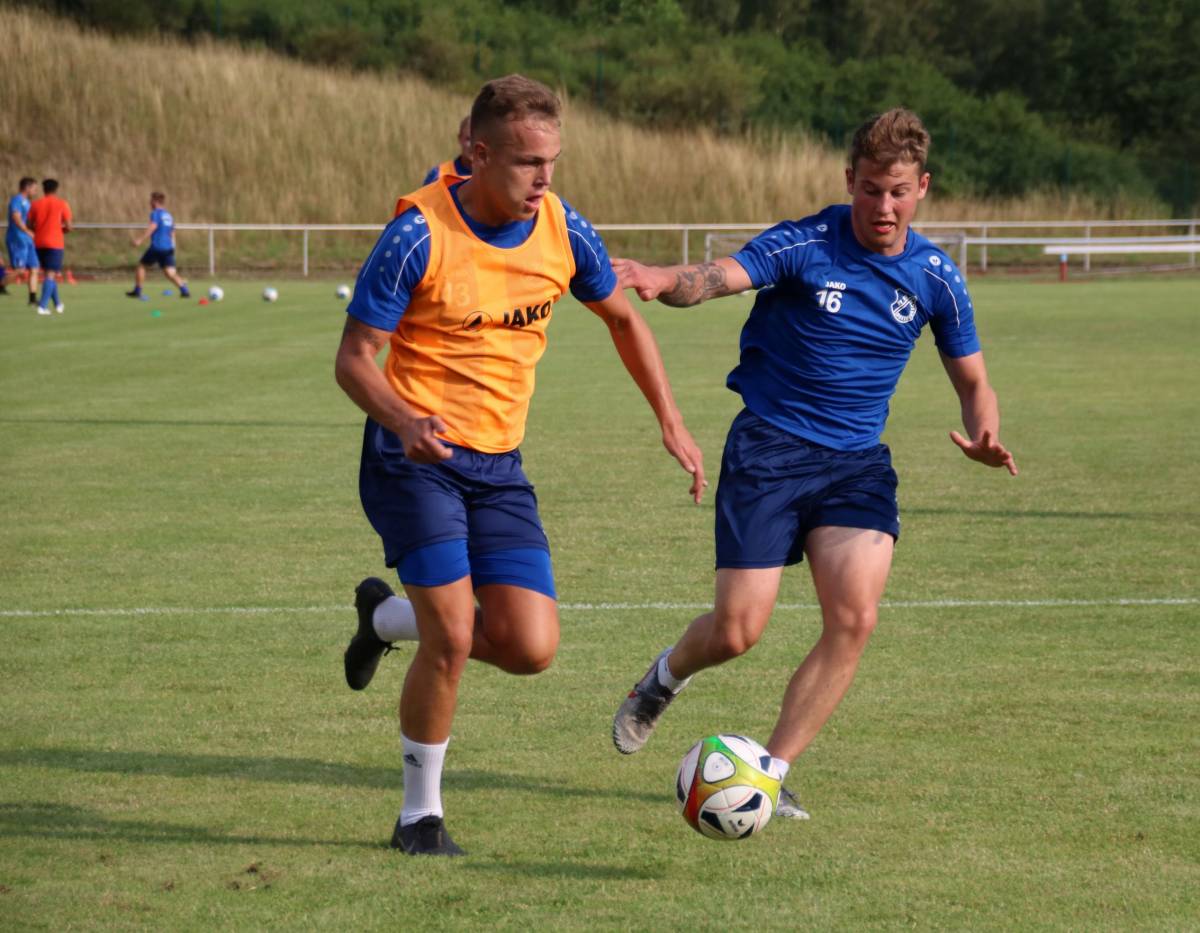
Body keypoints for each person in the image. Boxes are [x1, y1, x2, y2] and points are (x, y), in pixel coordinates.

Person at [335, 74, 706, 857]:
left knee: (532, 646)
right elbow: (353, 360)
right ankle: (418, 817)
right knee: (451, 639)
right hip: (415, 459)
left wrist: (670, 419)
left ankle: (381, 619)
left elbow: (622, 317)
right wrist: (404, 418)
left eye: (553, 161)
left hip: (499, 463)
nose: (544, 179)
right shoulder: (417, 234)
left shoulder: (563, 228)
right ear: (477, 152)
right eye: (527, 162)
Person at [610, 109, 1017, 820]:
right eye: (868, 189)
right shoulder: (806, 241)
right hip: (771, 448)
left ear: (922, 187)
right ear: (848, 181)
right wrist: (660, 277)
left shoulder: (936, 278)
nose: (881, 207)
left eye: (896, 191)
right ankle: (665, 676)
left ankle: (768, 772)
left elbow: (974, 380)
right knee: (738, 631)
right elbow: (716, 276)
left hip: (856, 464)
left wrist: (983, 432)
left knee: (854, 619)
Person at [126, 192, 190, 299]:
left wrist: (140, 240)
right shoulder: (168, 215)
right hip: (168, 248)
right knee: (169, 272)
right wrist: (173, 247)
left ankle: (137, 291)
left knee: (141, 266)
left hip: (157, 247)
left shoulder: (156, 213)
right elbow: (172, 232)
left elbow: (153, 227)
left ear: (155, 202)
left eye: (151, 201)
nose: (149, 203)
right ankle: (184, 291)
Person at [26, 178, 72, 315]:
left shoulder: (35, 204)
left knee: (48, 274)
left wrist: (38, 231)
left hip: (39, 242)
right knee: (51, 275)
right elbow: (69, 226)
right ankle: (42, 306)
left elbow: (28, 224)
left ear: (43, 189)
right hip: (55, 243)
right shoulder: (62, 204)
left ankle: (58, 304)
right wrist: (61, 231)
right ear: (56, 189)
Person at [7, 177, 40, 306]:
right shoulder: (17, 200)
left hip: (28, 240)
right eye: (34, 188)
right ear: (27, 188)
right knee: (20, 270)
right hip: (17, 238)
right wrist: (27, 231)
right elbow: (16, 218)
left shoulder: (28, 203)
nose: (35, 191)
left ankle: (32, 299)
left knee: (34, 268)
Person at [421, 116, 473, 186]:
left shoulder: (492, 177)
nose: (474, 145)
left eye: (479, 139)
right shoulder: (438, 176)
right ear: (460, 139)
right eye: (468, 139)